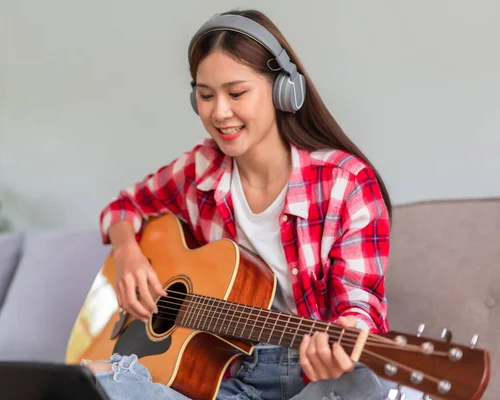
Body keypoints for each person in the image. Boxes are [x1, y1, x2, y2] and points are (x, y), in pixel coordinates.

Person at [88, 8, 396, 400]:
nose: (219, 112)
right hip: (226, 380)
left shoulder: (346, 183)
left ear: (284, 90)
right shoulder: (200, 170)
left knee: (362, 387)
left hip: (311, 378)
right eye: (205, 95)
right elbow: (121, 208)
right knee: (93, 384)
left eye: (236, 93)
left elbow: (360, 308)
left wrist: (341, 346)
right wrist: (129, 255)